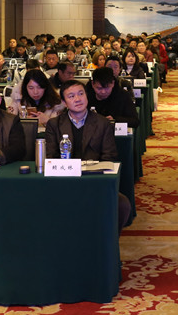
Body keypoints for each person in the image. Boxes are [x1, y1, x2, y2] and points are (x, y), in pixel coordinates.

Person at [45, 79, 132, 230]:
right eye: (71, 96)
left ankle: (106, 240)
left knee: (122, 204)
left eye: (81, 94)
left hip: (94, 180)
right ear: (64, 102)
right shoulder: (54, 125)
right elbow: (51, 157)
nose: (77, 99)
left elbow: (109, 157)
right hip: (64, 182)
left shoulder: (103, 123)